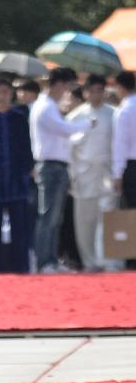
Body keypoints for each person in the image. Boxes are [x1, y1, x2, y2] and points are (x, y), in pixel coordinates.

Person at [30, 67, 94, 273]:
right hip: (50, 166)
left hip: (57, 165)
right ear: (59, 84)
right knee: (48, 216)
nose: (68, 91)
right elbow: (64, 129)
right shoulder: (45, 107)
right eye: (68, 86)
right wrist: (87, 124)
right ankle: (44, 261)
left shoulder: (50, 106)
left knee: (54, 217)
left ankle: (51, 259)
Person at [0, 78, 35, 274]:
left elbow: (28, 146)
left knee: (20, 226)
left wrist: (30, 168)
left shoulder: (20, 118)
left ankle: (22, 266)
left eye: (5, 92)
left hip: (17, 179)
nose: (1, 96)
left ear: (11, 94)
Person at [67, 74, 115, 272]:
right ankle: (89, 260)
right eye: (93, 91)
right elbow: (68, 149)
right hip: (83, 173)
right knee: (85, 219)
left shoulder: (114, 114)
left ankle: (110, 259)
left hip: (108, 172)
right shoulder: (75, 116)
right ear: (85, 92)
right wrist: (71, 175)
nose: (97, 95)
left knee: (108, 216)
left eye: (100, 90)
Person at [113, 71, 136, 211]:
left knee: (130, 212)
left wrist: (117, 174)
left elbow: (120, 144)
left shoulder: (124, 110)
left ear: (120, 87)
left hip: (131, 167)